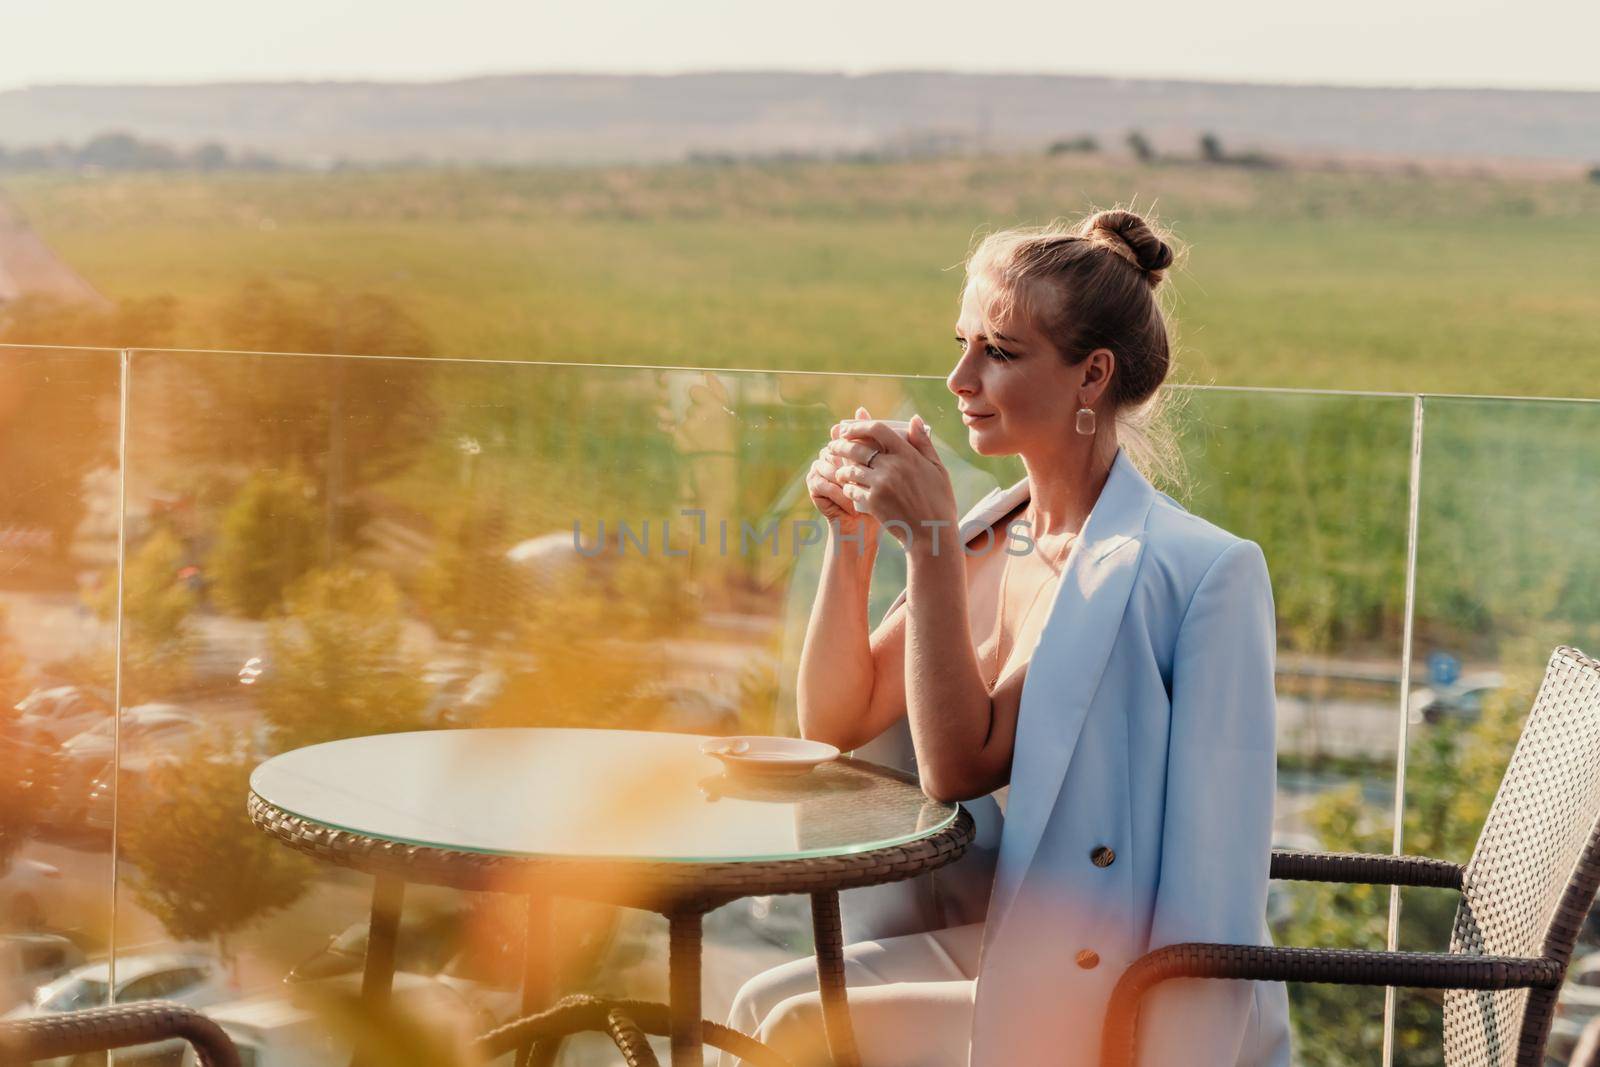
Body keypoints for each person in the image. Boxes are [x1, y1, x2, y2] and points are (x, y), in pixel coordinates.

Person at [721, 207, 1293, 1066]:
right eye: (962, 341)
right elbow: (834, 720)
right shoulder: (1001, 527)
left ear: (1092, 375)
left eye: (999, 351)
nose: (958, 377)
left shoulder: (1198, 571)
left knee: (801, 1028)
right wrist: (853, 542)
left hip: (1122, 985)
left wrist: (930, 544)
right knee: (757, 998)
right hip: (1015, 934)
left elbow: (960, 763)